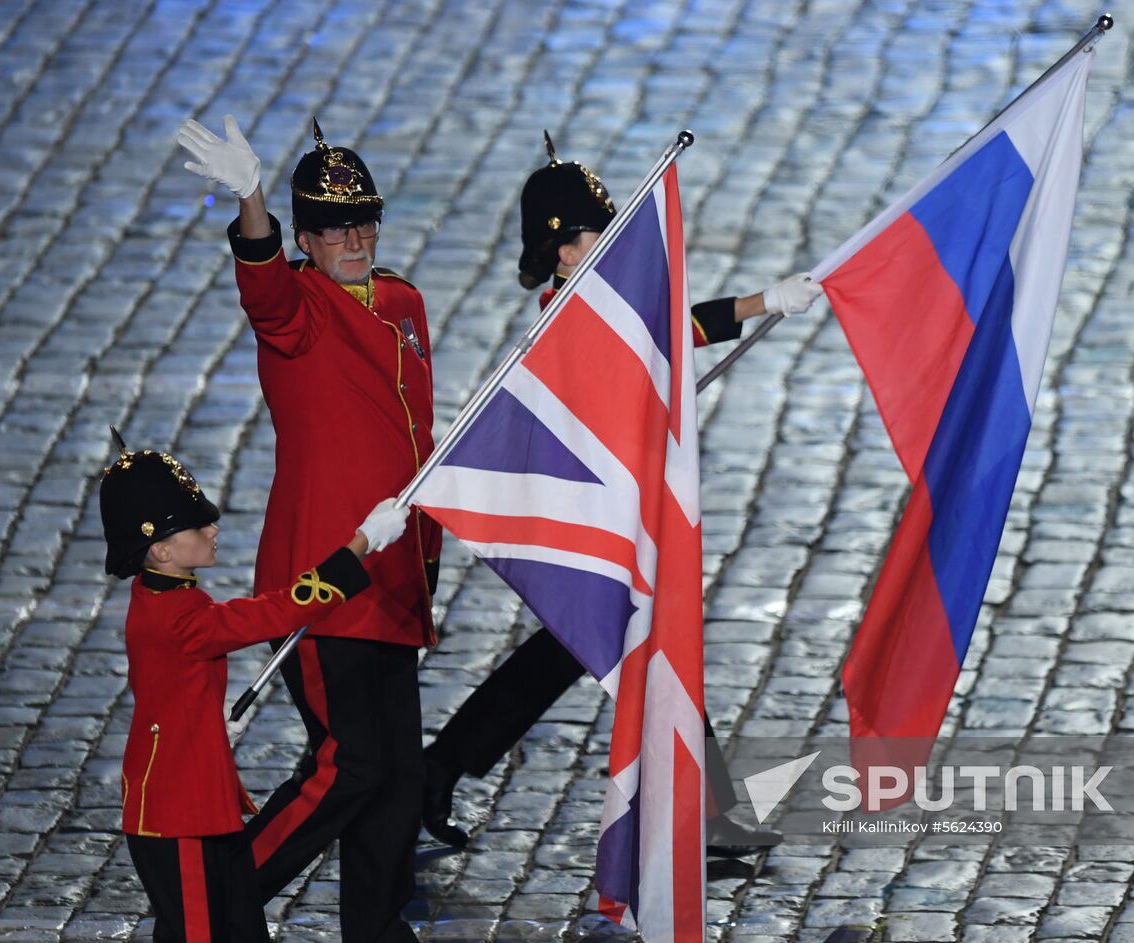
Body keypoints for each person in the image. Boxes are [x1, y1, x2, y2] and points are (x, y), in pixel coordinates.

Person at [419, 133, 822, 856]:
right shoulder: (569, 316)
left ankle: (440, 767)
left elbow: (676, 327)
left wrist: (771, 302)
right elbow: (667, 335)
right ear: (560, 250)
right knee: (642, 648)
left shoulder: (600, 300)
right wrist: (760, 306)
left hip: (625, 512)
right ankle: (705, 815)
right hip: (603, 520)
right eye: (587, 234)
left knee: (570, 657)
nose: (601, 242)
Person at [177, 115, 441, 942]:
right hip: (325, 578)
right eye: (332, 228)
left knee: (397, 777)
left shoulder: (402, 302)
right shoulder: (296, 308)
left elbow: (415, 427)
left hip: (397, 577)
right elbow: (260, 279)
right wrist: (249, 196)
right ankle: (219, 905)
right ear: (305, 238)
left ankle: (377, 928)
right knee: (349, 763)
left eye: (364, 220)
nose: (354, 237)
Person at [99, 429, 408, 942]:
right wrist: (360, 545)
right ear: (160, 551)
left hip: (192, 799)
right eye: (198, 526)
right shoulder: (180, 617)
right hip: (183, 813)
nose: (214, 529)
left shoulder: (162, 598)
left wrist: (201, 719)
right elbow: (277, 610)